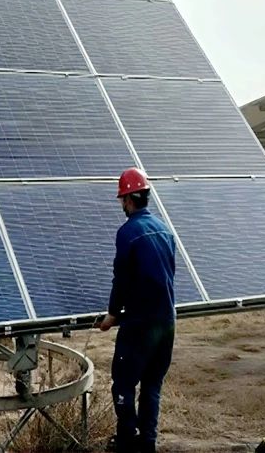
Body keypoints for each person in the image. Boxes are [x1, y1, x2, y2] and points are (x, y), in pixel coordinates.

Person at [99, 168, 176, 453]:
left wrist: (112, 314)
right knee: (152, 385)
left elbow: (121, 279)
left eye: (122, 199)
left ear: (129, 200)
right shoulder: (165, 229)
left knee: (123, 384)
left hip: (140, 324)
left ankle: (127, 441)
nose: (122, 204)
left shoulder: (128, 233)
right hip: (166, 322)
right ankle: (147, 443)